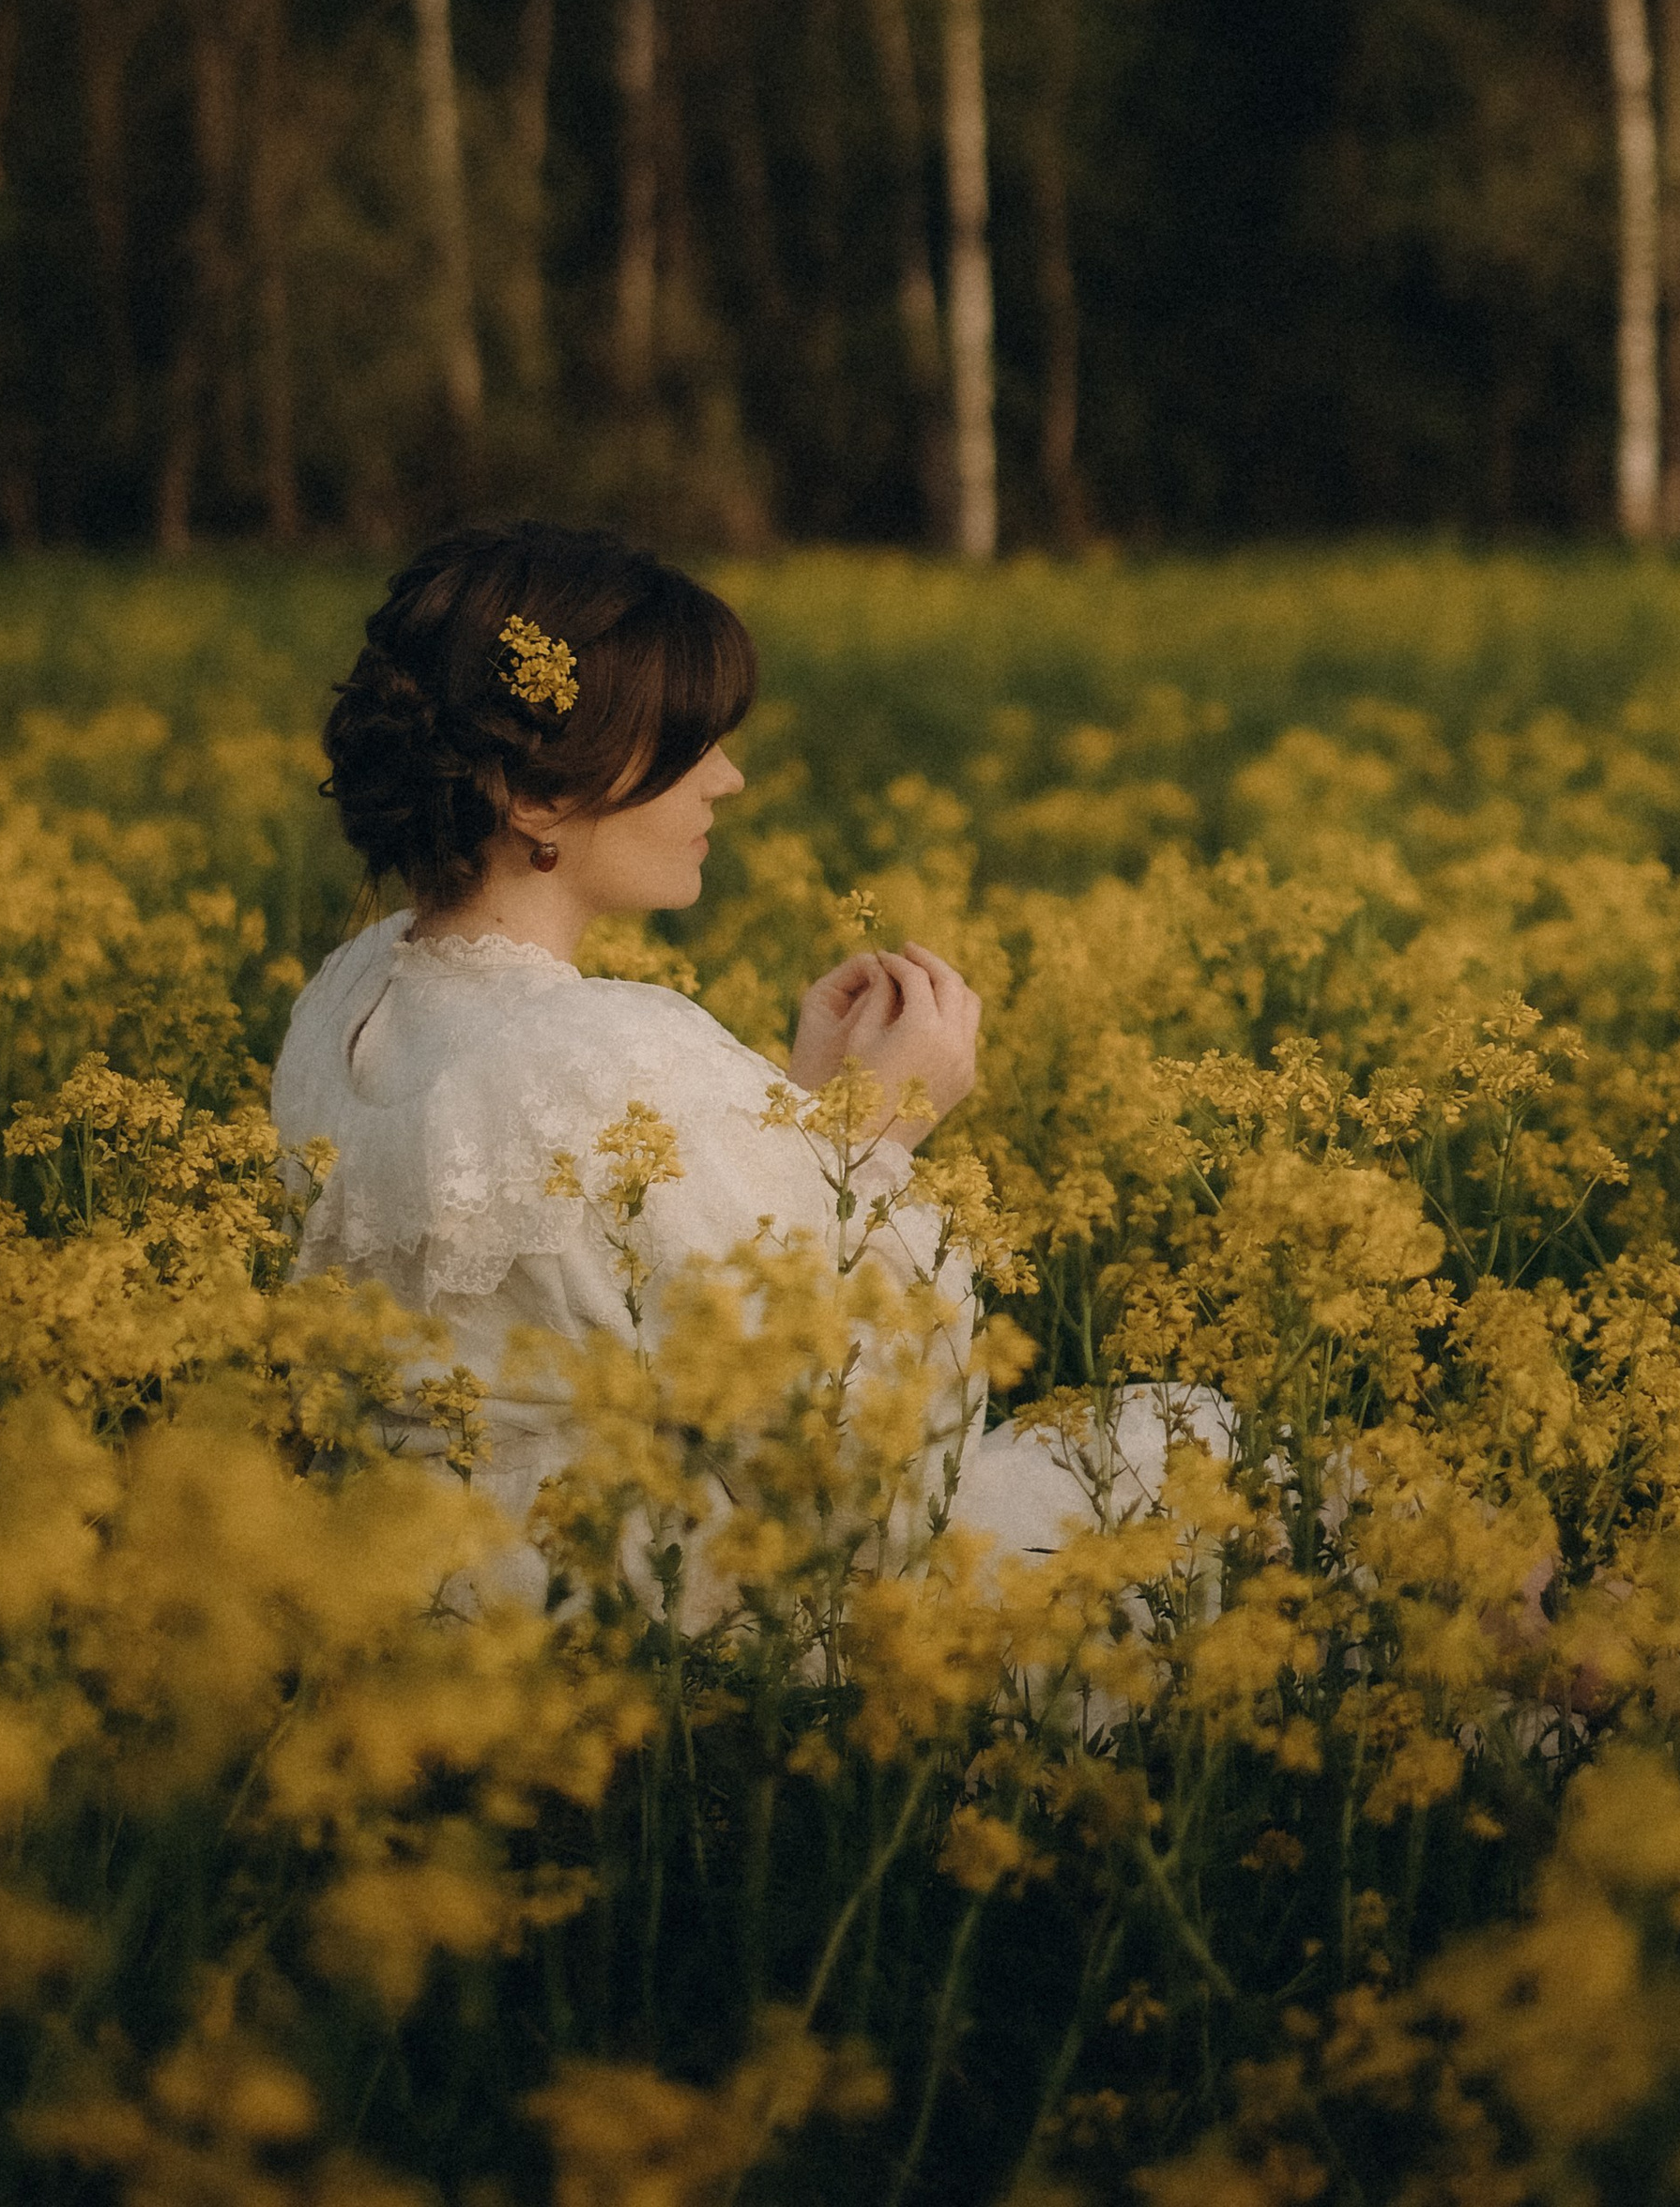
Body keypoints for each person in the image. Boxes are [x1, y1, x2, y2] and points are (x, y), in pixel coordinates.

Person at [270, 521, 1196, 1586]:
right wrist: (874, 1145)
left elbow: (592, 1307)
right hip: (649, 1626)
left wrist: (797, 1126)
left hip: (432, 1604)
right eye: (687, 746)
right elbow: (868, 1493)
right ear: (533, 798)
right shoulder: (604, 1054)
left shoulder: (345, 995)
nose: (729, 780)